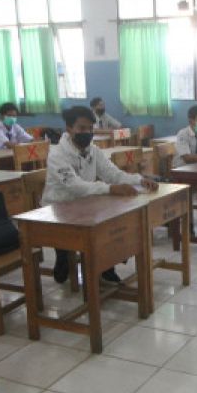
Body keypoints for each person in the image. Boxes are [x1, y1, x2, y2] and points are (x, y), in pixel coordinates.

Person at [42, 106, 158, 284]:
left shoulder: (93, 150)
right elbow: (75, 186)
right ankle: (64, 252)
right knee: (103, 223)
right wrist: (110, 189)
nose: (87, 133)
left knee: (119, 219)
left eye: (90, 129)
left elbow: (113, 174)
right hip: (59, 209)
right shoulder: (57, 154)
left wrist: (139, 180)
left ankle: (106, 266)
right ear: (69, 128)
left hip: (86, 204)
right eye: (81, 128)